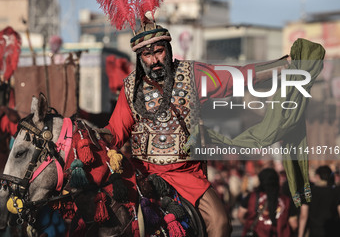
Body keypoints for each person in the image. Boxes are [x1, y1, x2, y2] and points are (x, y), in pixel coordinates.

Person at [103, 21, 288, 236]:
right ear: (139, 57)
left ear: (168, 50)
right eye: (147, 55)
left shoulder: (193, 74)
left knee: (220, 223)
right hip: (143, 172)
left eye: (159, 52)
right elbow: (115, 132)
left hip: (186, 174)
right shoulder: (130, 87)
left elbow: (234, 76)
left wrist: (283, 66)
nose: (154, 60)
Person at [237, 168, 297, 237]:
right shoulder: (286, 201)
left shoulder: (251, 197)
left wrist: (249, 224)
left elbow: (240, 215)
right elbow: (294, 224)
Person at [298, 166, 340, 237]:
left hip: (315, 232)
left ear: (317, 176)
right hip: (333, 231)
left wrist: (300, 235)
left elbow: (303, 216)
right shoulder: (336, 191)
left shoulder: (308, 192)